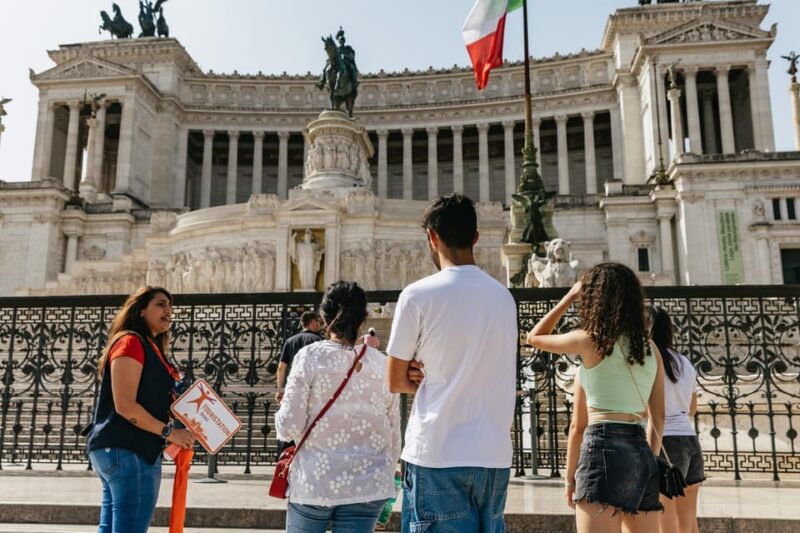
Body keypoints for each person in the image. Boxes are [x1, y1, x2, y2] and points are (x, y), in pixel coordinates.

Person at [386, 193, 518, 533]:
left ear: (432, 237)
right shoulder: (504, 298)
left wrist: (419, 372)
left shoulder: (416, 295)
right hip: (493, 457)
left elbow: (395, 381)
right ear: (475, 237)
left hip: (437, 453)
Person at [526, 263, 666, 533]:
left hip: (601, 446)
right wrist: (650, 462)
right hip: (640, 448)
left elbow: (534, 337)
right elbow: (658, 416)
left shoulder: (590, 341)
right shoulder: (650, 348)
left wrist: (569, 296)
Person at [275, 281, 401, 533]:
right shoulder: (382, 364)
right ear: (363, 318)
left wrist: (281, 411)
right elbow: (394, 436)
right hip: (367, 484)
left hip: (315, 482)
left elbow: (289, 425)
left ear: (323, 317)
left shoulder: (309, 357)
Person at [86, 286, 195, 533]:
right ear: (141, 310)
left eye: (170, 306)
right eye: (160, 304)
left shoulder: (150, 348)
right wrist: (170, 433)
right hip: (128, 450)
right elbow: (125, 405)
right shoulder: (131, 342)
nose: (168, 310)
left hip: (122, 449)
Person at [649, 305, 704, 533]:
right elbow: (692, 409)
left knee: (666, 521)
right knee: (688, 521)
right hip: (690, 440)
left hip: (665, 442)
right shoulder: (685, 362)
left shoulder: (648, 359)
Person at [275, 311, 322, 456]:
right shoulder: (319, 341)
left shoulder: (290, 341)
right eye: (319, 322)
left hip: (292, 390)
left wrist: (280, 390)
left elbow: (281, 368)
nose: (320, 325)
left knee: (290, 425)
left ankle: (286, 462)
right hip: (312, 390)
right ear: (312, 322)